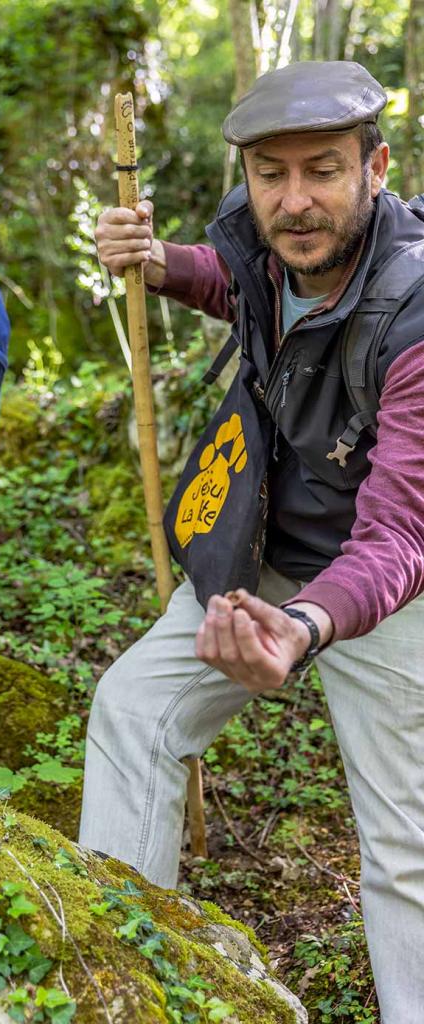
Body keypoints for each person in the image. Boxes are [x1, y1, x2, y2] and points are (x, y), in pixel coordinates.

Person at [80, 60, 424, 1023]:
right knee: (133, 714)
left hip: (387, 587)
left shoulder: (418, 311)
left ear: (376, 166)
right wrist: (156, 263)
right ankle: (115, 982)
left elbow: (401, 534)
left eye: (323, 169)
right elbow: (237, 283)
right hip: (265, 543)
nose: (296, 199)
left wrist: (304, 626)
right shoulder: (275, 247)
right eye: (272, 175)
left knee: (406, 842)